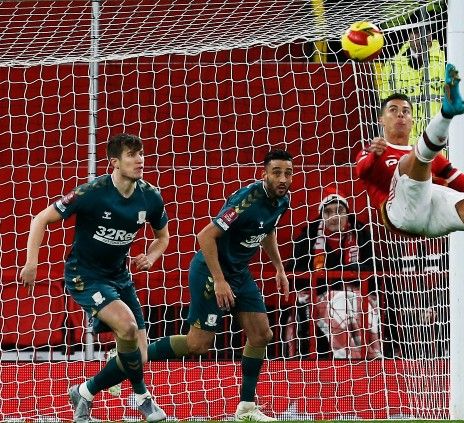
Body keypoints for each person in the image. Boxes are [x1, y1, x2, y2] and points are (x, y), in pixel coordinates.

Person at [19, 134, 170, 423]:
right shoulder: (92, 192)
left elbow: (163, 237)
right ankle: (142, 397)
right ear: (114, 162)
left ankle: (84, 392)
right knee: (126, 328)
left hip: (120, 277)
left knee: (140, 355)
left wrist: (150, 257)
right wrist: (31, 262)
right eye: (132, 155)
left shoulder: (150, 196)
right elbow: (40, 219)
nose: (140, 160)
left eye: (141, 154)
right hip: (84, 276)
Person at [356, 63, 464, 304]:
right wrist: (374, 155)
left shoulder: (430, 157)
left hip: (430, 215)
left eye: (406, 111)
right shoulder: (373, 151)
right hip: (398, 215)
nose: (400, 114)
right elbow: (362, 171)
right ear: (381, 119)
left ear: (412, 120)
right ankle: (446, 113)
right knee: (414, 161)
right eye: (393, 110)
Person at [145, 149, 293, 422]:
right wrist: (220, 281)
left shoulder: (282, 201)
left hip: (239, 273)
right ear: (264, 175)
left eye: (288, 173)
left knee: (262, 335)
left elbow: (268, 231)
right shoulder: (246, 200)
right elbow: (205, 236)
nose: (283, 179)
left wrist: (279, 268)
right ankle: (134, 353)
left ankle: (247, 408)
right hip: (211, 272)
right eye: (277, 173)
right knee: (198, 344)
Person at [286, 188, 382, 359]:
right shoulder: (308, 235)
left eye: (339, 211)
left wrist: (343, 274)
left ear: (347, 213)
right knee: (338, 302)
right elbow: (295, 271)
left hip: (358, 293)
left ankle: (368, 353)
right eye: (328, 211)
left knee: (355, 302)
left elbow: (374, 267)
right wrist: (333, 280)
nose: (334, 216)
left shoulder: (361, 233)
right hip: (321, 294)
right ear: (321, 215)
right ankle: (350, 355)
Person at [378, 12, 464, 141]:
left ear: (432, 35)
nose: (422, 36)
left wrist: (455, 131)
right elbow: (384, 107)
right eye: (416, 32)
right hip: (407, 148)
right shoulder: (391, 67)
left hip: (444, 147)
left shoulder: (450, 63)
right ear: (409, 36)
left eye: (427, 31)